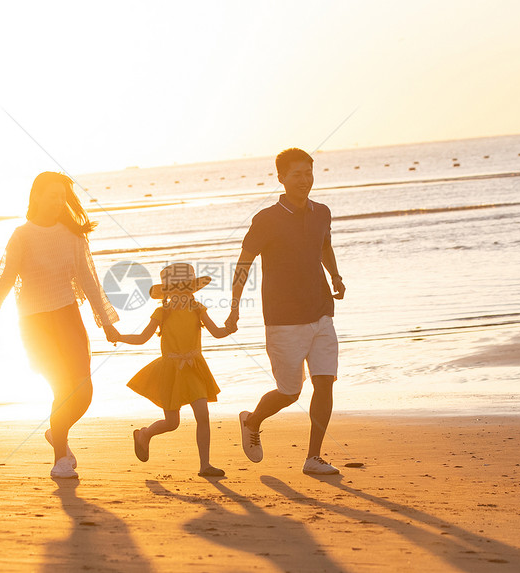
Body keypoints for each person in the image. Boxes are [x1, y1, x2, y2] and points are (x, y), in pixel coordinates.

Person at [0, 171, 120, 479]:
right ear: (36, 196)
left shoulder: (72, 234)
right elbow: (4, 282)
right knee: (61, 388)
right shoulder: (22, 235)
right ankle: (60, 461)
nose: (58, 202)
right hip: (34, 323)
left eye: (62, 197)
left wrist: (107, 323)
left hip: (68, 316)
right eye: (52, 195)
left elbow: (88, 281)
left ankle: (58, 431)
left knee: (83, 390)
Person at [225, 148, 346, 475]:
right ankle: (253, 420)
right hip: (283, 320)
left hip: (321, 311)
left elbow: (324, 246)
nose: (304, 180)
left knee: (324, 383)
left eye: (309, 173)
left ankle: (313, 457)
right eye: (297, 174)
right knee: (290, 392)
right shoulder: (266, 220)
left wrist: (335, 276)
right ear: (281, 177)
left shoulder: (322, 212)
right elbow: (243, 264)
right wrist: (234, 308)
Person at [109, 263, 231, 477]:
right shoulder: (162, 312)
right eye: (175, 289)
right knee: (172, 422)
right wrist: (119, 337)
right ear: (167, 293)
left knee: (203, 415)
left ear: (192, 290)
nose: (181, 293)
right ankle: (144, 435)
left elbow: (217, 332)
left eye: (186, 288)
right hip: (170, 371)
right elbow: (143, 338)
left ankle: (205, 465)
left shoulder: (197, 308)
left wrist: (230, 326)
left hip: (194, 368)